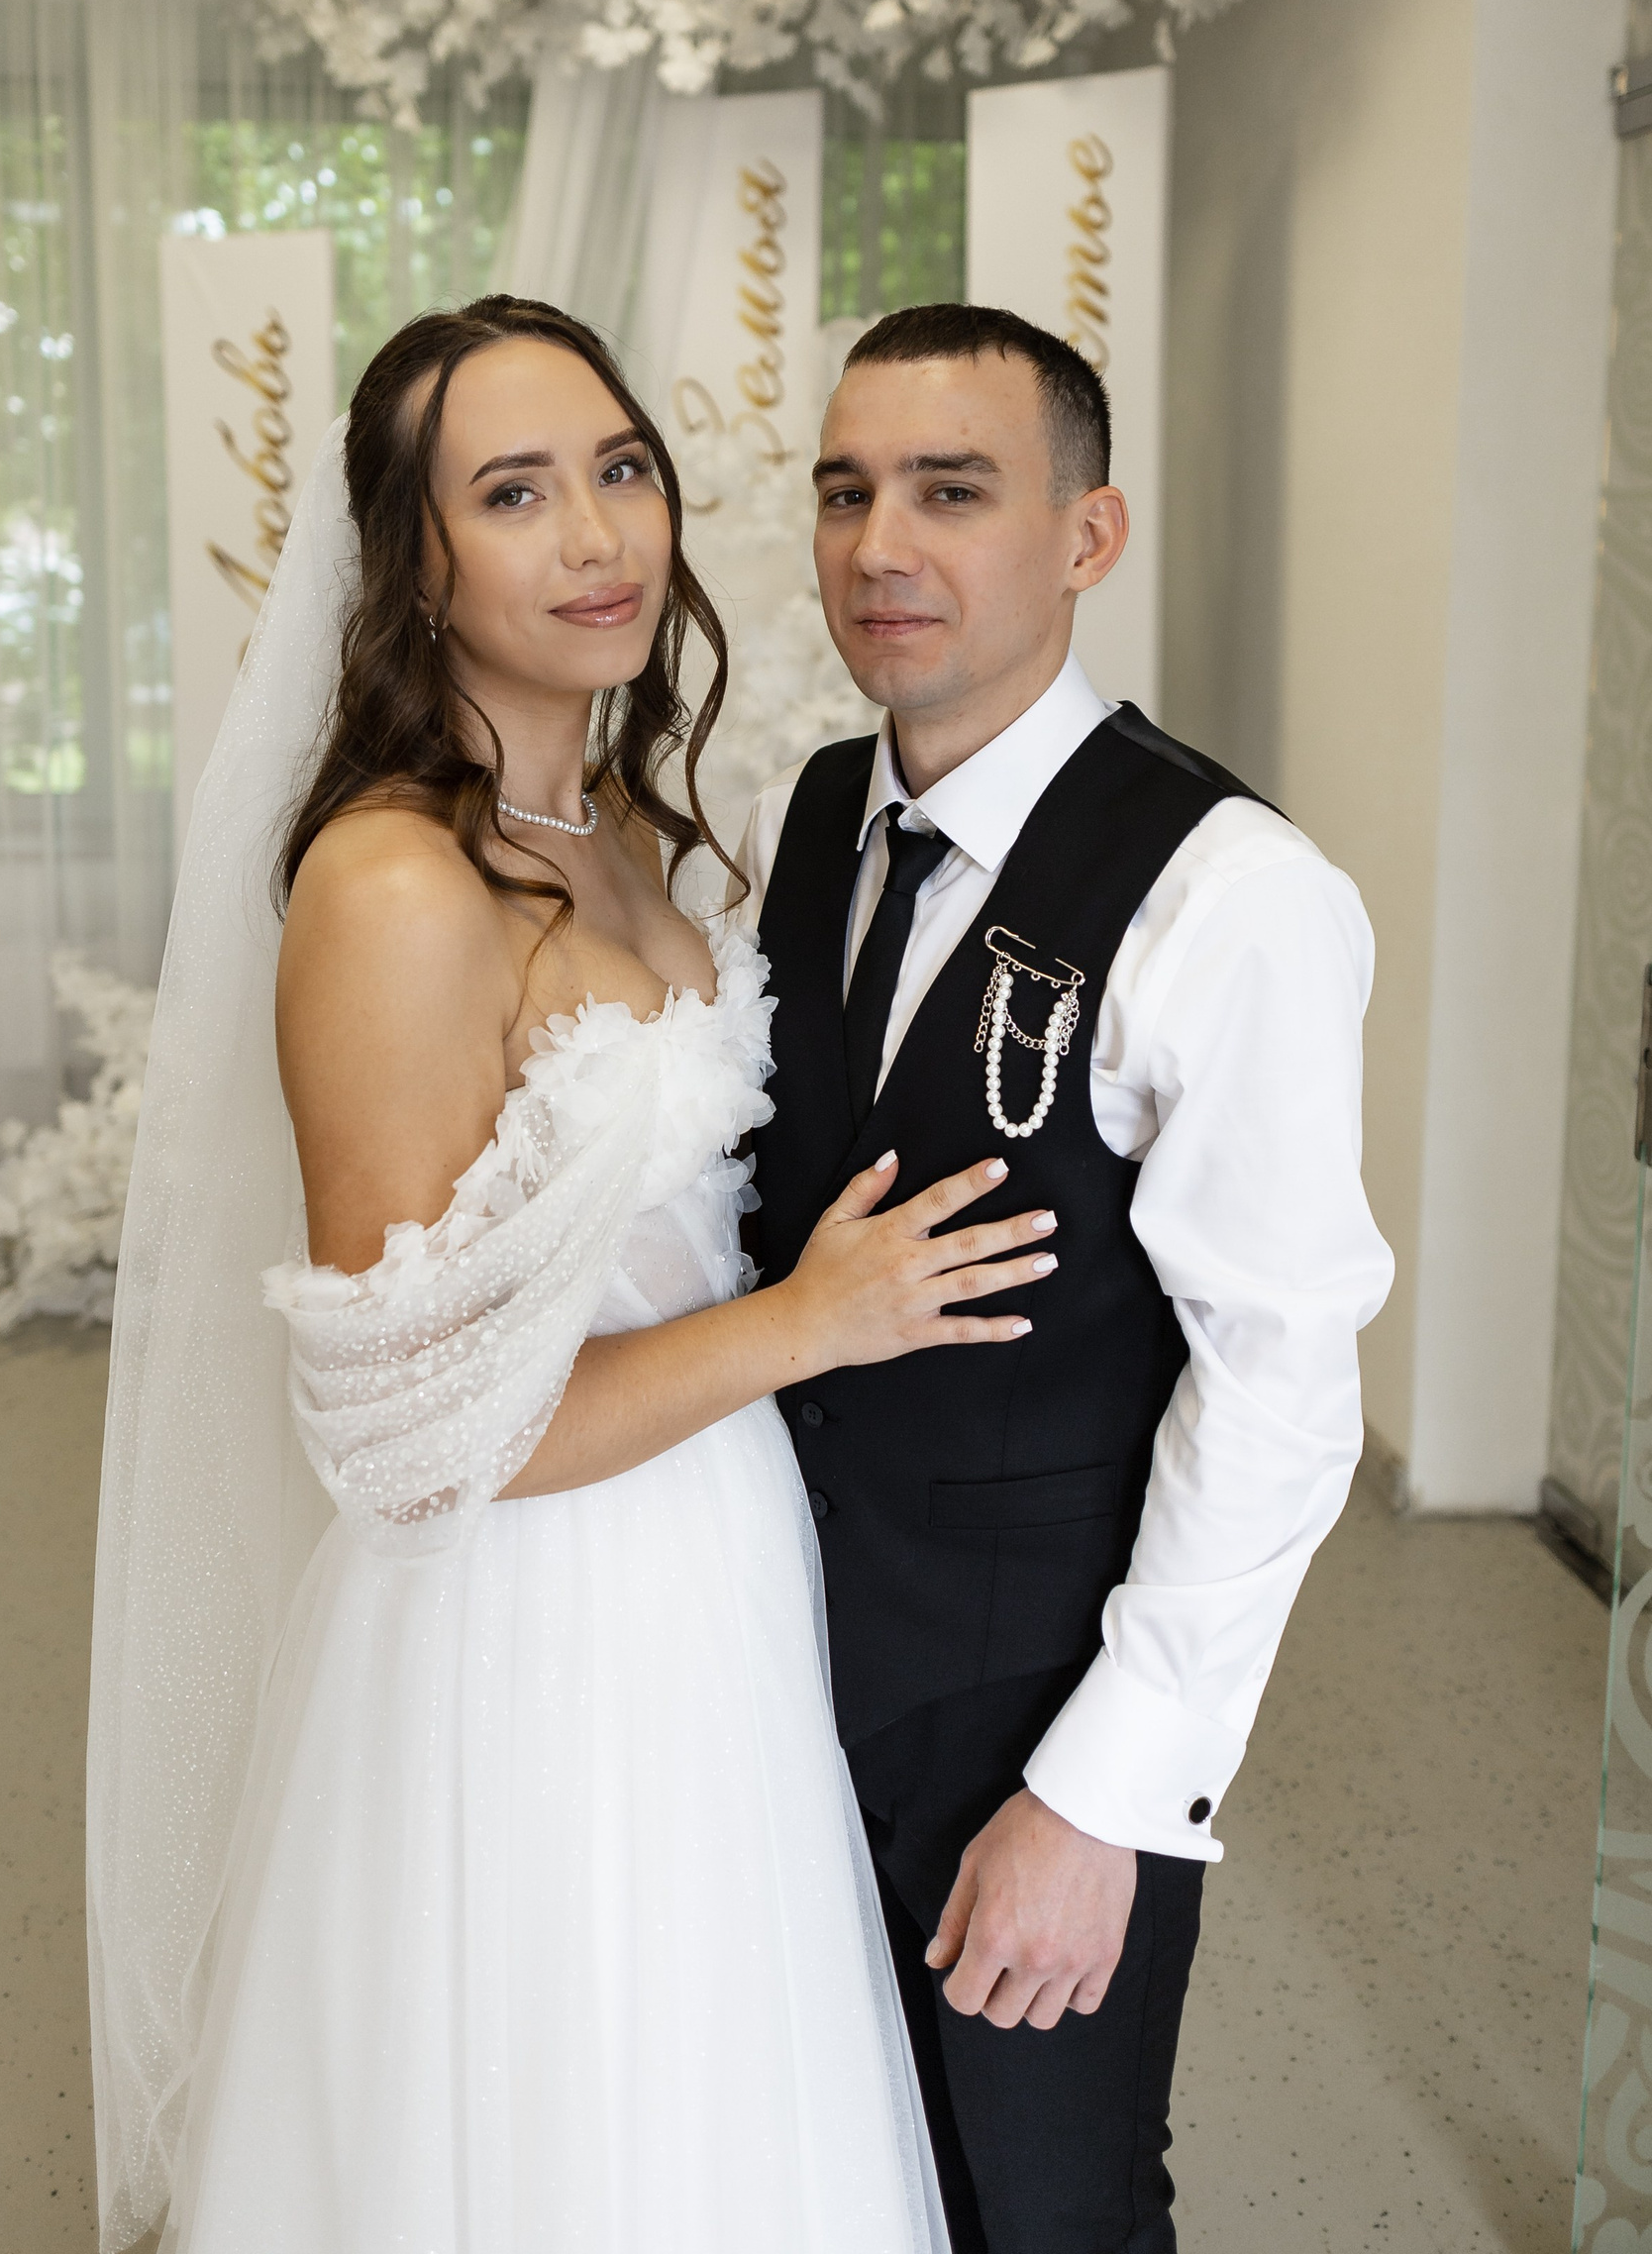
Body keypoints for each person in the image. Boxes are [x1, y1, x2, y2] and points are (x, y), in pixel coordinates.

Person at [86, 294, 1057, 2254]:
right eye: (515, 493)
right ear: (415, 558)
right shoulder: (391, 886)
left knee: (719, 2081)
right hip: (528, 1620)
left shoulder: (612, 826)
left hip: (712, 1558)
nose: (600, 537)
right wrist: (806, 1324)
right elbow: (413, 1443)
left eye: (621, 470)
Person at [738, 302, 1394, 2254]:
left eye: (952, 492)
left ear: (1087, 535)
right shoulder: (804, 817)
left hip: (1027, 1700)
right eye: (846, 493)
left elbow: (1279, 1383)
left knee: (1044, 2209)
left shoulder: (1232, 895)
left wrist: (1104, 1798)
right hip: (768, 1666)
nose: (880, 547)